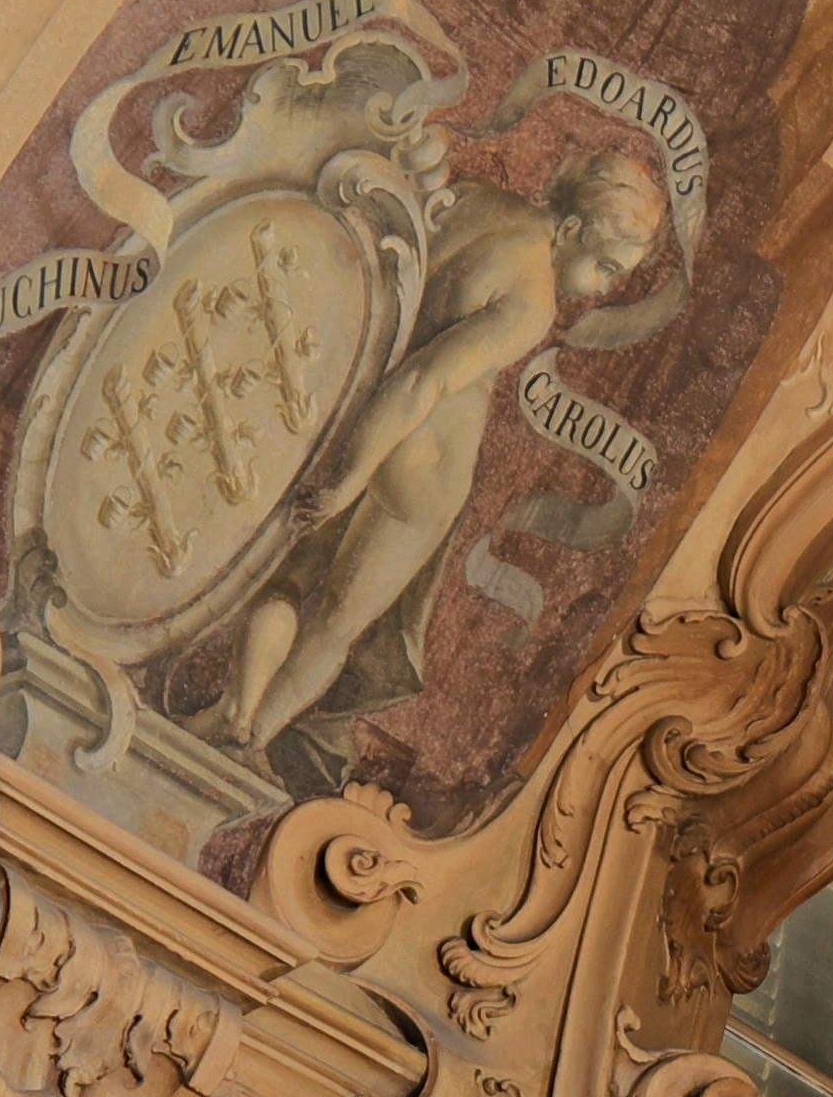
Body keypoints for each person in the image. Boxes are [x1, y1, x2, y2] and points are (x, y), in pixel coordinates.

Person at [220, 150, 666, 762]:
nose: (605, 288)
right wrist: (351, 480)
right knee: (337, 626)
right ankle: (251, 738)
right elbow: (421, 384)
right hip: (420, 473)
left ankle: (236, 710)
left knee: (289, 579)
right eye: (606, 267)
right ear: (571, 231)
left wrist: (350, 464)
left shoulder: (480, 199)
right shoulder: (533, 297)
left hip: (360, 407)